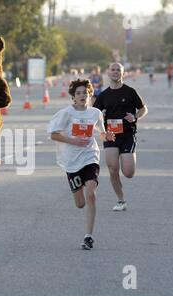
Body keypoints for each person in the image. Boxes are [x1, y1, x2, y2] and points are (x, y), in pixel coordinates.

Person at [48, 78, 115, 250]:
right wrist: (73, 140)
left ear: (90, 94)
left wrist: (106, 136)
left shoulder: (95, 113)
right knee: (80, 203)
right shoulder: (67, 113)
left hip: (89, 156)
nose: (82, 96)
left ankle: (88, 236)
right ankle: (79, 198)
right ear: (73, 96)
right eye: (78, 93)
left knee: (91, 193)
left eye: (85, 92)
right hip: (71, 160)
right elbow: (54, 135)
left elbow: (101, 132)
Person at [93, 62, 148, 212]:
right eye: (113, 70)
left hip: (128, 135)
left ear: (122, 73)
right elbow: (94, 116)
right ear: (108, 73)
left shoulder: (130, 92)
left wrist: (135, 117)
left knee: (128, 173)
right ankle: (120, 200)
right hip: (110, 135)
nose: (116, 72)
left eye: (119, 70)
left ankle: (128, 164)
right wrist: (101, 116)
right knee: (112, 168)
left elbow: (144, 109)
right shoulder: (103, 95)